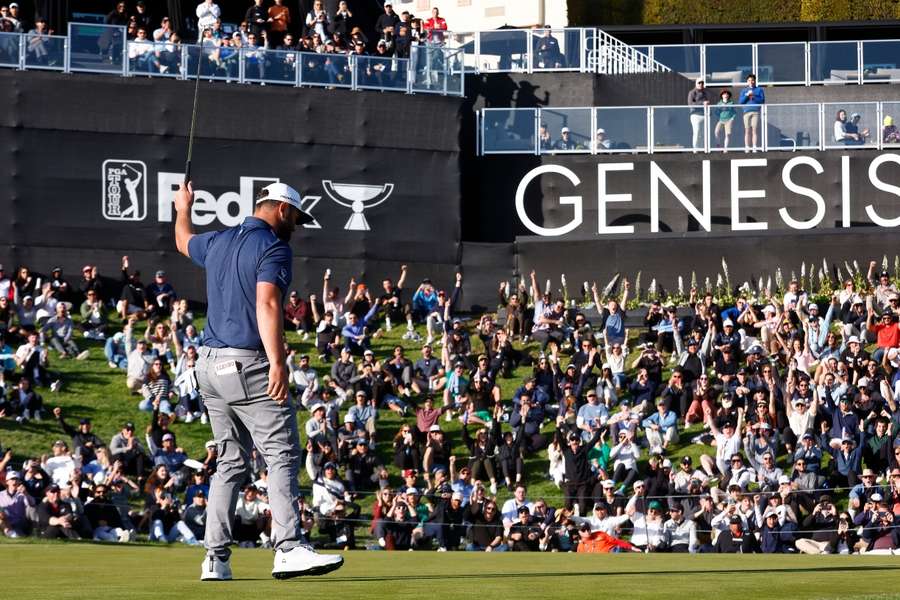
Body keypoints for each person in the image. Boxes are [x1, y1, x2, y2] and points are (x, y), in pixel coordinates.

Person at [174, 179, 342, 580]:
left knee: (230, 463)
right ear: (282, 209)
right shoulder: (273, 245)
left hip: (208, 366)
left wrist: (184, 207)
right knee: (282, 453)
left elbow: (183, 240)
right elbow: (268, 302)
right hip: (247, 364)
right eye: (296, 218)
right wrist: (278, 362)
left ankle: (215, 559)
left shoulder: (217, 240)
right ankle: (288, 547)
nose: (296, 227)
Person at [739, 73, 764, 152]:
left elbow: (762, 101)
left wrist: (753, 96)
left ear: (755, 81)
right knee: (747, 130)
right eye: (749, 80)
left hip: (755, 112)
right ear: (747, 81)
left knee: (754, 129)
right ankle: (747, 147)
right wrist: (747, 95)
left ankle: (754, 147)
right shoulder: (744, 90)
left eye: (752, 80)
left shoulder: (759, 90)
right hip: (746, 112)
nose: (751, 82)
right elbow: (741, 102)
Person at [687, 78, 711, 150]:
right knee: (697, 132)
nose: (701, 84)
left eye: (702, 83)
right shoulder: (692, 92)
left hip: (705, 114)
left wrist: (709, 112)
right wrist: (702, 103)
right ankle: (696, 149)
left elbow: (708, 103)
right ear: (696, 84)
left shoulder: (705, 93)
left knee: (704, 133)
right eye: (699, 83)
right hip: (695, 115)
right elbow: (690, 104)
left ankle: (703, 149)